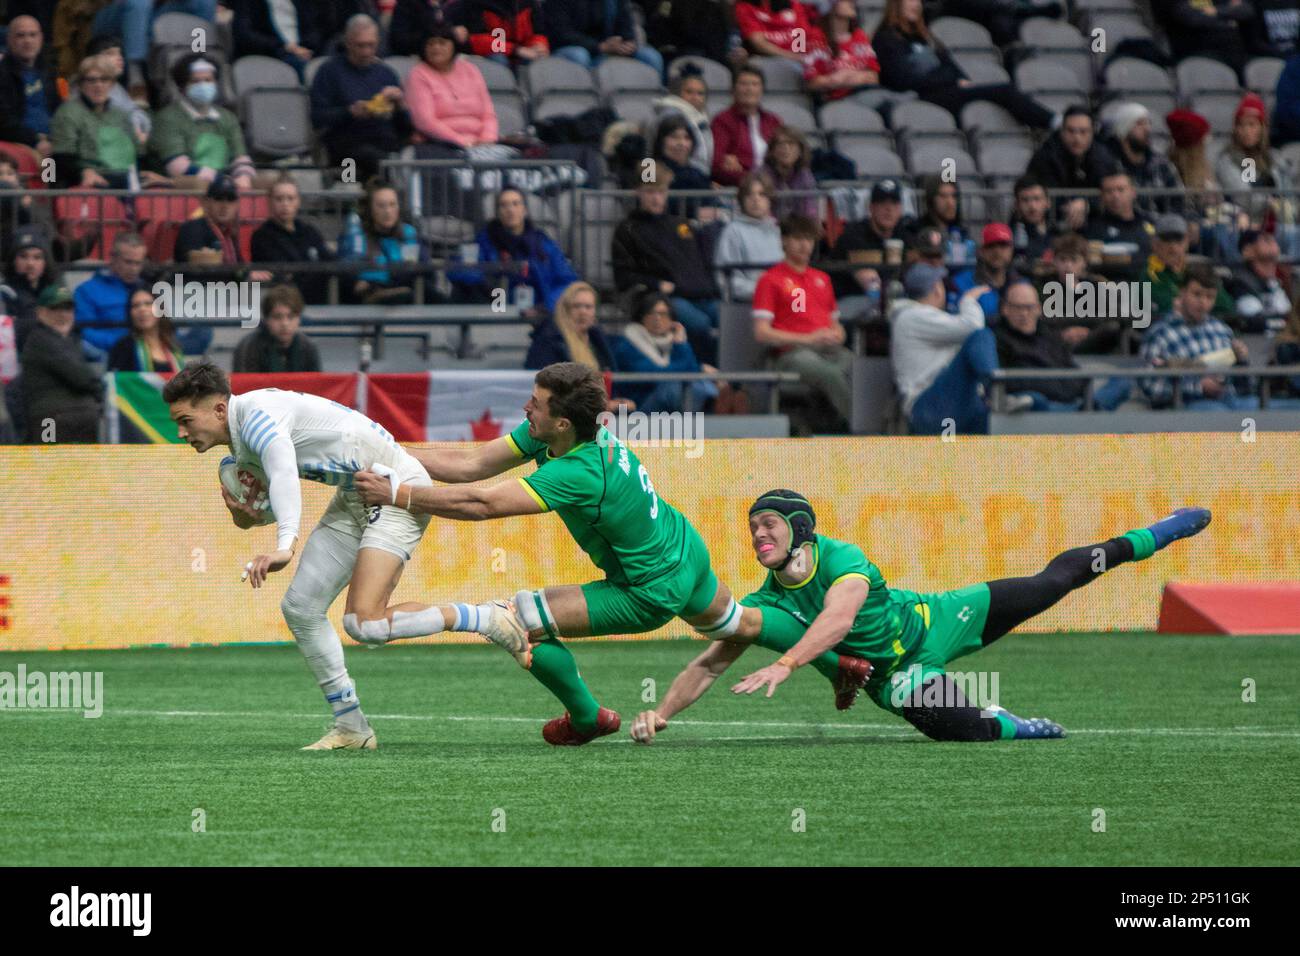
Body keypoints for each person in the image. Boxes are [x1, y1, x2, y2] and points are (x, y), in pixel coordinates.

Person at [347, 361, 753, 746]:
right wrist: (390, 456)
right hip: (685, 547)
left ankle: (586, 718)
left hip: (650, 589)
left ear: (562, 422)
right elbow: (472, 463)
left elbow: (482, 504)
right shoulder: (559, 434)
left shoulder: (580, 471)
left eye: (535, 404)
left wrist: (398, 495)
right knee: (743, 624)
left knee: (523, 622)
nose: (526, 407)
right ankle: (808, 631)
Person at [629, 489, 1211, 744]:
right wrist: (659, 712)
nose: (758, 533)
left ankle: (1156, 534)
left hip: (936, 620)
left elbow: (838, 617)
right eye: (753, 526)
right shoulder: (766, 602)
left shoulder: (842, 558)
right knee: (966, 732)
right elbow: (709, 664)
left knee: (1051, 582)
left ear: (800, 529)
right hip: (895, 676)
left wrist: (787, 665)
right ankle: (1011, 723)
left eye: (769, 524)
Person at [163, 362, 434, 749]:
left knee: (366, 626)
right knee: (300, 608)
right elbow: (267, 506)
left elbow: (285, 474)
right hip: (357, 493)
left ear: (219, 410)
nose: (181, 433)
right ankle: (352, 726)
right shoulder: (239, 450)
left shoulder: (256, 418)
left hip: (395, 489)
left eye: (186, 420)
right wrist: (244, 519)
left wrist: (285, 546)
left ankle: (489, 617)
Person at [871, 0, 1056, 130]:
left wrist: (961, 79)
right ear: (896, 4)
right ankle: (1053, 121)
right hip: (920, 96)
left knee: (997, 93)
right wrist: (951, 80)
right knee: (1004, 90)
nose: (916, 5)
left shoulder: (925, 38)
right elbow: (903, 79)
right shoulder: (885, 40)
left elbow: (949, 64)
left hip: (945, 91)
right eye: (910, 0)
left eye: (918, 1)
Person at [612, 163, 721, 363]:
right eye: (649, 191)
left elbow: (699, 263)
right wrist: (656, 284)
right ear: (638, 192)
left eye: (660, 191)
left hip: (702, 294)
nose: (655, 197)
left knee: (730, 319)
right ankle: (705, 370)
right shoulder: (627, 229)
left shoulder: (680, 224)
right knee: (700, 324)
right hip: (663, 297)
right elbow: (623, 275)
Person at [752, 213, 853, 430]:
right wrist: (808, 339)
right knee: (830, 374)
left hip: (828, 350)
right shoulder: (770, 279)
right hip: (792, 354)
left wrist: (837, 335)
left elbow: (836, 325)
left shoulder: (822, 278)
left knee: (860, 367)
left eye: (808, 239)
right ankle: (860, 431)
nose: (804, 245)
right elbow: (761, 333)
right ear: (784, 241)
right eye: (798, 238)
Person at [890, 261, 1000, 434]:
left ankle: (998, 398)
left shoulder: (925, 317)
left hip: (949, 409)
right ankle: (997, 390)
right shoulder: (911, 316)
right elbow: (974, 327)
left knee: (1034, 402)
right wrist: (969, 301)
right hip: (929, 407)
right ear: (937, 289)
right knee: (981, 336)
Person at [995, 280, 1130, 412]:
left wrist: (1073, 389)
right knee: (1034, 399)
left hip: (1069, 398)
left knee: (1122, 381)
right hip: (1045, 404)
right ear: (1005, 309)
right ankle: (1087, 412)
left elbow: (1072, 371)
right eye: (1017, 307)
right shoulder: (998, 339)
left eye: (1029, 307)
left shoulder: (1050, 337)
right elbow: (1008, 382)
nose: (1024, 314)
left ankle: (1085, 410)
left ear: (1038, 309)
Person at [310, 14, 414, 182]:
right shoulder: (328, 71)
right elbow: (317, 118)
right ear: (348, 43)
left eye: (371, 45)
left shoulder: (386, 73)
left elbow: (406, 128)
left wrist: (401, 104)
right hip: (344, 147)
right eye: (360, 46)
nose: (366, 52)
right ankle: (353, 204)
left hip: (384, 142)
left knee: (412, 157)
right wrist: (350, 112)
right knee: (365, 164)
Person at [1141, 263, 1256, 410]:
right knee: (1217, 412)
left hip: (1230, 399)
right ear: (1182, 292)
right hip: (1187, 406)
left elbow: (1246, 387)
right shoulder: (1159, 334)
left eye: (1210, 297)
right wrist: (1198, 388)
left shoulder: (1222, 330)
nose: (1203, 303)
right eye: (1197, 294)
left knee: (1284, 407)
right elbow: (1150, 386)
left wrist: (1242, 361)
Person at [450, 187, 579, 312]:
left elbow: (567, 281)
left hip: (538, 311)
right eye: (504, 205)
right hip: (498, 308)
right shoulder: (485, 240)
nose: (510, 210)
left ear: (524, 210)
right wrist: (488, 281)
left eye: (515, 204)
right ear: (498, 212)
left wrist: (545, 307)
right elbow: (459, 268)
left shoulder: (542, 243)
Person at [147, 54, 257, 189]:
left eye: (208, 80)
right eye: (195, 81)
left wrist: (243, 176)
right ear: (182, 88)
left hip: (225, 188)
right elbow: (176, 167)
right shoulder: (168, 118)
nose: (203, 85)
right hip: (182, 189)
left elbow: (240, 157)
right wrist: (221, 180)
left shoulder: (228, 117)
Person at [20, 285, 103, 443]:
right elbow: (82, 377)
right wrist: (102, 388)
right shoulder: (41, 339)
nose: (63, 314)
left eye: (68, 309)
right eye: (55, 308)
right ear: (40, 312)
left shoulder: (68, 340)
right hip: (51, 421)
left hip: (71, 421)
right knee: (53, 465)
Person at [610, 291, 718, 413]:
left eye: (663, 314)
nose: (657, 318)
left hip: (669, 405)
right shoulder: (627, 345)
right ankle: (700, 425)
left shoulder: (674, 342)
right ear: (641, 317)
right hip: (639, 407)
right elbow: (657, 376)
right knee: (674, 388)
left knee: (704, 385)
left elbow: (691, 371)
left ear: (672, 319)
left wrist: (681, 344)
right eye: (651, 313)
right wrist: (696, 364)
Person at [50, 54, 144, 190]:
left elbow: (138, 154)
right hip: (88, 180)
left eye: (104, 79)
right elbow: (62, 158)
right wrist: (83, 172)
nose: (98, 85)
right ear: (81, 85)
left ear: (112, 84)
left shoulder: (121, 115)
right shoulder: (67, 113)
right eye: (91, 80)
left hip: (125, 176)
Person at [91, 1, 218, 97]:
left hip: (157, 11)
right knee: (140, 3)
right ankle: (136, 76)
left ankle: (201, 62)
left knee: (204, 2)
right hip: (120, 12)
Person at [823, 178, 909, 319]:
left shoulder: (904, 235)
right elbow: (872, 286)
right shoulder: (854, 235)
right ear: (871, 208)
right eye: (882, 203)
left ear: (900, 209)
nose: (888, 209)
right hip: (848, 299)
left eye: (894, 203)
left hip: (884, 300)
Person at [405, 22, 499, 149]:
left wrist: (487, 139)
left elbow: (488, 114)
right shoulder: (418, 75)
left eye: (442, 43)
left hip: (481, 144)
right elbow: (424, 121)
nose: (436, 48)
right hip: (440, 144)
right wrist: (462, 142)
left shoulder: (471, 70)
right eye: (430, 43)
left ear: (453, 45)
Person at [1025, 105, 1117, 231]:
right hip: (1051, 225)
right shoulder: (1045, 156)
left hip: (1097, 224)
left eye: (1083, 131)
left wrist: (1087, 204)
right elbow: (1040, 193)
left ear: (1092, 133)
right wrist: (1074, 205)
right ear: (1062, 131)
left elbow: (1113, 190)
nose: (1077, 138)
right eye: (1071, 131)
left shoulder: (1103, 157)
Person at [337, 180, 429, 305]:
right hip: (367, 294)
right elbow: (346, 271)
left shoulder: (409, 234)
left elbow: (424, 267)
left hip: (405, 287)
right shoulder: (356, 235)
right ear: (370, 209)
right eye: (381, 205)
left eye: (392, 204)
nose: (388, 211)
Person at [249, 176, 335, 305]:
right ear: (269, 202)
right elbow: (283, 272)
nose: (285, 204)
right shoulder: (261, 236)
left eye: (290, 198)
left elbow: (330, 260)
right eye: (279, 199)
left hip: (318, 303)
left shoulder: (309, 231)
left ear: (298, 201)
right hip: (284, 307)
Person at [1038, 232, 1120, 354]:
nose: (1068, 266)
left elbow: (1113, 316)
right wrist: (1065, 332)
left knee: (1113, 328)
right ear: (1054, 261)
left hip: (1092, 341)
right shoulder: (1044, 286)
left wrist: (1087, 331)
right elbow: (1043, 319)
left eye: (1074, 260)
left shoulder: (1096, 286)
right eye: (1063, 259)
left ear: (1084, 263)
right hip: (1055, 343)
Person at [1100, 101, 1183, 218]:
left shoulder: (1161, 163)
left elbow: (1177, 200)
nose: (1147, 129)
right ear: (1124, 130)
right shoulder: (1108, 163)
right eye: (1139, 124)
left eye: (1148, 123)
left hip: (1159, 229)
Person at [1145, 213, 1234, 320]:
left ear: (1187, 242)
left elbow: (1226, 306)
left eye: (1178, 239)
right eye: (1166, 239)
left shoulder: (1199, 269)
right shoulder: (1145, 274)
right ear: (1154, 244)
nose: (1173, 246)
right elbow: (1156, 312)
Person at [74, 231, 147, 357]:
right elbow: (85, 332)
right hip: (109, 354)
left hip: (147, 350)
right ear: (112, 258)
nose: (134, 269)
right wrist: (125, 344)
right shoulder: (86, 291)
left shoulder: (147, 290)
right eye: (128, 262)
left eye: (138, 263)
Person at [546, 0, 665, 76]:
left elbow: (627, 27)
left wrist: (627, 44)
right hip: (572, 49)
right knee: (579, 55)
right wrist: (599, 47)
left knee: (651, 56)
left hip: (611, 49)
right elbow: (562, 34)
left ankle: (655, 106)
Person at [0, 15, 62, 157]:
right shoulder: (2, 74)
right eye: (20, 35)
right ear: (9, 40)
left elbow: (58, 109)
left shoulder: (48, 71)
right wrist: (35, 140)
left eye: (32, 35)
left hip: (53, 140)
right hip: (21, 144)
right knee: (49, 169)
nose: (28, 41)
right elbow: (3, 120)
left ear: (40, 39)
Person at [713, 173, 783, 300]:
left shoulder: (778, 231)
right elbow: (727, 280)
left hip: (782, 300)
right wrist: (766, 290)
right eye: (749, 195)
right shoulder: (732, 231)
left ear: (770, 199)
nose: (755, 199)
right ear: (742, 200)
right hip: (746, 306)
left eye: (761, 194)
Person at [710, 66, 783, 187]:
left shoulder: (773, 121)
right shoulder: (722, 121)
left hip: (774, 185)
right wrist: (753, 179)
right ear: (733, 89)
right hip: (740, 188)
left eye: (755, 84)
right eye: (743, 84)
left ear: (762, 90)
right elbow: (717, 164)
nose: (749, 89)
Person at [1215, 93, 1294, 201]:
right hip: (1243, 216)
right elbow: (1245, 198)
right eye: (1241, 125)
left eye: (1252, 125)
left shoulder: (1274, 157)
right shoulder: (1228, 159)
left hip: (1277, 216)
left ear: (1262, 128)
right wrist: (1271, 204)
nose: (1246, 131)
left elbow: (1288, 192)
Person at [523, 280, 616, 373]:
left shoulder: (599, 341)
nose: (583, 312)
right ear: (565, 310)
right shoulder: (547, 342)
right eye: (576, 306)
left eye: (588, 307)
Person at [1082, 170, 1155, 280]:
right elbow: (1094, 261)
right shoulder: (1094, 228)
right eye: (1109, 191)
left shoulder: (1150, 222)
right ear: (1102, 196)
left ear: (1133, 192)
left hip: (1148, 286)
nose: (1115, 195)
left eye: (1121, 190)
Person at [232, 284, 323, 373]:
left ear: (299, 319)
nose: (284, 323)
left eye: (291, 317)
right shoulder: (249, 347)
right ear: (266, 319)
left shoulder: (308, 347)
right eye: (277, 317)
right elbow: (244, 385)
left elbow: (317, 385)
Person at [802, 0, 881, 101]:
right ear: (831, 5)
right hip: (837, 101)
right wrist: (837, 80)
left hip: (866, 94)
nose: (852, 2)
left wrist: (849, 76)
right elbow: (812, 83)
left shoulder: (859, 35)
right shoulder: (816, 37)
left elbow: (874, 77)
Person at [231, 0, 328, 79]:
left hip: (304, 51)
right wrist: (285, 47)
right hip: (271, 54)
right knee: (306, 69)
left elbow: (313, 30)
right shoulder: (248, 3)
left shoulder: (301, 3)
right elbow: (245, 35)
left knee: (329, 67)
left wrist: (305, 47)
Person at [951, 222, 1022, 322]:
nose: (997, 251)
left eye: (1003, 245)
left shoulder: (1021, 284)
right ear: (981, 251)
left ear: (1012, 250)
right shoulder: (961, 282)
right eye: (991, 246)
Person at [650, 113, 718, 220]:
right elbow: (647, 201)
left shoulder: (698, 173)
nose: (681, 143)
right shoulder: (648, 167)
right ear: (661, 140)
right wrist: (694, 212)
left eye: (686, 138)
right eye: (674, 137)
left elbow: (712, 203)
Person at [84, 35, 151, 138]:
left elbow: (138, 115)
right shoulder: (86, 88)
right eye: (110, 54)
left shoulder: (116, 87)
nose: (119, 58)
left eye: (120, 53)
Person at [1227, 228, 1293, 333]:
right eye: (1266, 240)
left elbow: (1288, 313)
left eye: (1274, 241)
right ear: (1247, 251)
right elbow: (1257, 322)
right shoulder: (1240, 283)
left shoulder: (1273, 283)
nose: (1274, 245)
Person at [106, 287, 186, 372]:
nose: (142, 309)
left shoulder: (174, 345)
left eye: (148, 304)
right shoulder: (122, 348)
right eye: (135, 306)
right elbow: (116, 381)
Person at [3, 226, 57, 352]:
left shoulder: (55, 292)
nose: (30, 263)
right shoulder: (4, 293)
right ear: (13, 261)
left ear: (45, 262)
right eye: (23, 256)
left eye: (37, 257)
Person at [651, 67, 713, 176]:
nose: (695, 97)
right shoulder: (667, 115)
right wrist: (649, 182)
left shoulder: (702, 119)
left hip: (694, 176)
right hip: (664, 179)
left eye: (700, 93)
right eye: (689, 92)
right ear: (678, 93)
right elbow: (649, 153)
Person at [459, 0, 550, 65]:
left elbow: (538, 32)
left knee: (539, 61)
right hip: (488, 53)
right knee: (499, 60)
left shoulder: (529, 4)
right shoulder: (477, 3)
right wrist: (515, 50)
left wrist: (538, 45)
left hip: (522, 52)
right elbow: (477, 40)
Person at [758, 125, 818, 220]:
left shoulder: (805, 175)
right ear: (772, 151)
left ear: (800, 150)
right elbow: (759, 211)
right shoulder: (761, 174)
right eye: (780, 144)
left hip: (797, 229)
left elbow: (810, 210)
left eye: (791, 144)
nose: (785, 148)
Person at [734, 0, 816, 60]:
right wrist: (792, 57)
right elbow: (759, 43)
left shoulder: (792, 4)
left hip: (798, 58)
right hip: (767, 58)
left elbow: (803, 34)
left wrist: (801, 57)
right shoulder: (744, 7)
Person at [1008, 175, 1054, 271]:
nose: (1032, 206)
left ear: (1048, 202)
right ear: (1016, 205)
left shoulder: (1059, 233)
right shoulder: (1009, 237)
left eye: (1037, 199)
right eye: (1025, 200)